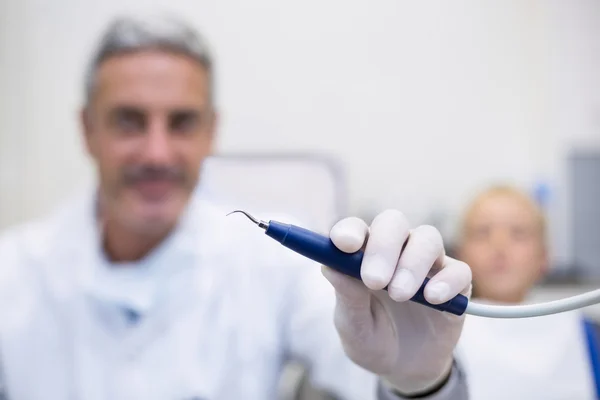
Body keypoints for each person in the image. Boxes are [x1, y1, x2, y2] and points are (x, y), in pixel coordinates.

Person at [0, 14, 472, 400]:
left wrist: (421, 383)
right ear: (87, 129)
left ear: (211, 131)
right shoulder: (14, 270)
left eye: (182, 123)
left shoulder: (271, 265)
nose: (157, 153)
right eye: (129, 121)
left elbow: (359, 365)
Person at [454, 185, 600, 400]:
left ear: (544, 256)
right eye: (482, 232)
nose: (499, 245)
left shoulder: (590, 336)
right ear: (460, 254)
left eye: (518, 233)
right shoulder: (439, 333)